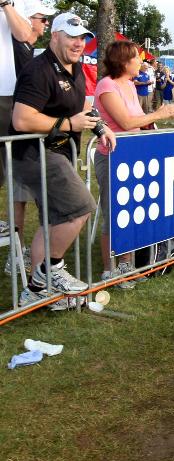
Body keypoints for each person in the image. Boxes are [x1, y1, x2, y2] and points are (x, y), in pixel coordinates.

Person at [10, 12, 116, 309]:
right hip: (33, 153)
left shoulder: (76, 67)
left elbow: (82, 105)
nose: (79, 43)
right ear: (54, 36)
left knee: (51, 220)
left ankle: (35, 292)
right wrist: (70, 124)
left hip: (56, 151)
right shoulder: (38, 70)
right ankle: (51, 270)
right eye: (72, 36)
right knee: (80, 207)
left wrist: (98, 125)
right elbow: (21, 119)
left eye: (83, 37)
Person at [94, 40, 174, 288]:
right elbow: (126, 121)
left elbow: (139, 121)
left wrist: (152, 126)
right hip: (112, 156)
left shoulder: (131, 85)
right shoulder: (107, 85)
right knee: (114, 213)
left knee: (131, 211)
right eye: (135, 57)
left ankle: (126, 264)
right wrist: (158, 115)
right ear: (123, 61)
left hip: (133, 156)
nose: (140, 61)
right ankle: (110, 269)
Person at [4, 0, 56, 277]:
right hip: (21, 134)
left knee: (29, 196)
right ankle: (17, 253)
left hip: (32, 136)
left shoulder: (30, 50)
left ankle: (25, 251)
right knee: (20, 195)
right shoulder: (18, 43)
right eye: (41, 19)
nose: (45, 24)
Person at [0, 0, 31, 237]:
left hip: (7, 93)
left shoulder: (13, 5)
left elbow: (25, 35)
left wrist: (6, 5)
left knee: (8, 164)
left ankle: (16, 244)